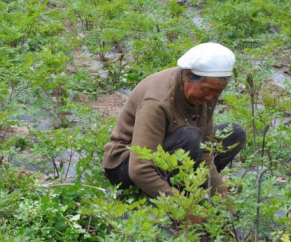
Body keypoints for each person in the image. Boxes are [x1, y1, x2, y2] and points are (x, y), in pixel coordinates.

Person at [103, 42, 247, 198]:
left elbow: (205, 149)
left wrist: (219, 190)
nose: (211, 97)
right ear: (187, 75)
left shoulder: (206, 95)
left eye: (218, 92)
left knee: (234, 133)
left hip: (171, 149)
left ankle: (183, 186)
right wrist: (181, 207)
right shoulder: (157, 101)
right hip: (126, 166)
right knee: (191, 138)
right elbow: (139, 168)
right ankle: (160, 194)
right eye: (207, 90)